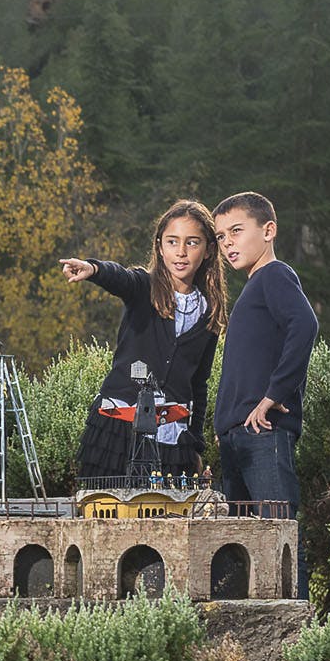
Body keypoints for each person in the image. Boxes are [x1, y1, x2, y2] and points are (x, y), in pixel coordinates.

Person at [60, 199, 227, 488]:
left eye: (192, 242)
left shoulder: (209, 309)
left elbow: (199, 383)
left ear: (209, 249)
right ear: (159, 246)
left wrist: (195, 442)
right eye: (172, 241)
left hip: (173, 435)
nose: (181, 252)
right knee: (108, 512)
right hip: (118, 426)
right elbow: (120, 278)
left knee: (166, 518)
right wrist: (94, 269)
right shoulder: (143, 287)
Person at [211, 192, 318, 595]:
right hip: (236, 437)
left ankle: (297, 637)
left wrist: (275, 393)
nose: (228, 244)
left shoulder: (275, 275)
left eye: (236, 231)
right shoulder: (253, 290)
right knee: (240, 547)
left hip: (263, 434)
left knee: (279, 537)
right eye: (221, 237)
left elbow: (305, 326)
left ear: (268, 230)